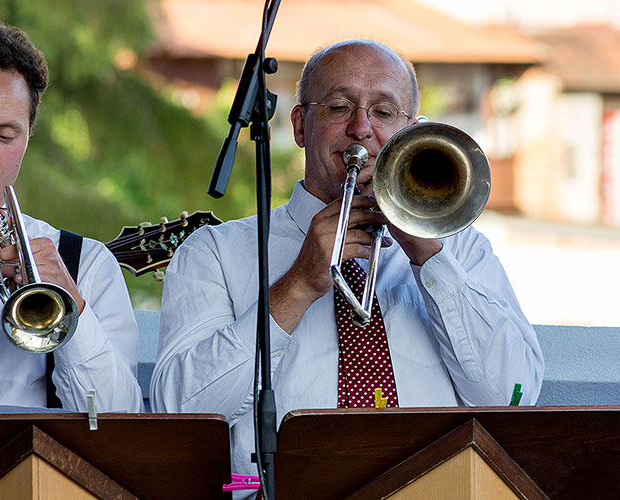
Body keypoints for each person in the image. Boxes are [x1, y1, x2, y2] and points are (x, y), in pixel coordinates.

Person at [150, 39, 544, 485]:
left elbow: (512, 397)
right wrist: (296, 286)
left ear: (410, 130)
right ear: (300, 125)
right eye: (339, 107)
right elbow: (179, 413)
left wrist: (429, 258)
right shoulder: (214, 252)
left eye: (383, 111)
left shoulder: (462, 249)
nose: (361, 128)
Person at [0, 22, 142, 412]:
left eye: (6, 136)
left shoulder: (83, 261)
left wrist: (71, 307)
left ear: (27, 137)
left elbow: (119, 425)